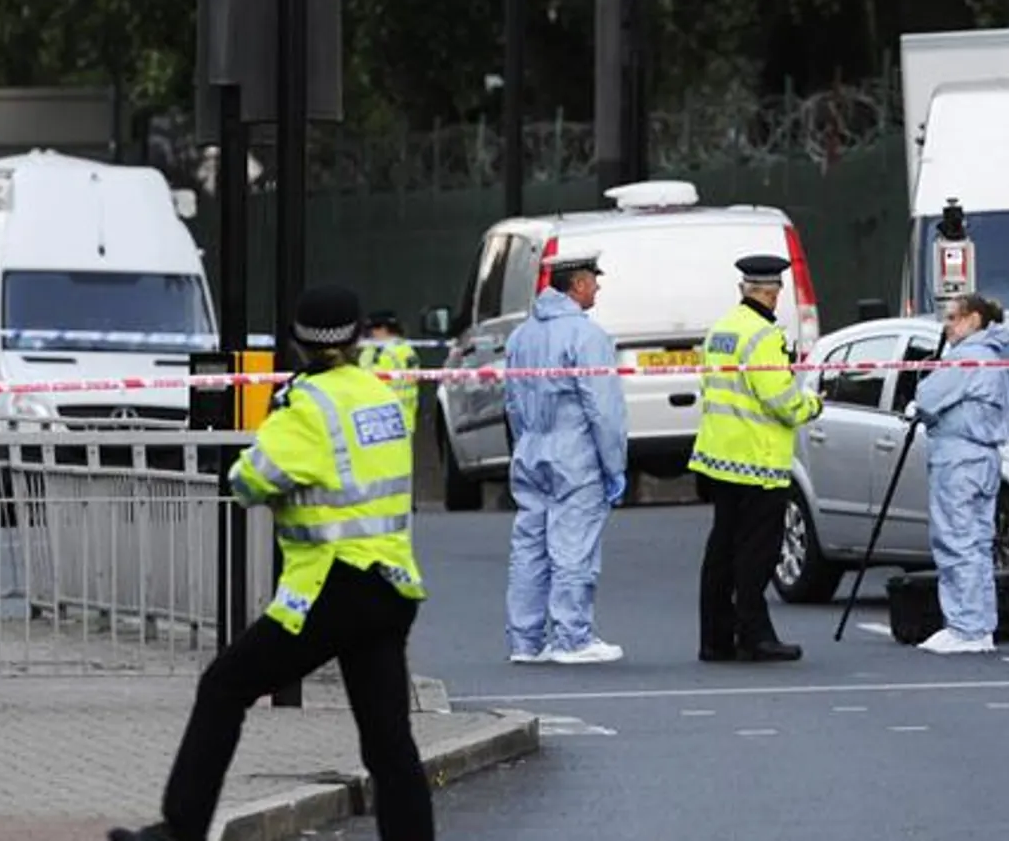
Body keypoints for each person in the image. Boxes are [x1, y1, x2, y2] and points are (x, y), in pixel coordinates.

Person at [109, 285, 432, 841]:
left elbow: (250, 478)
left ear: (297, 342)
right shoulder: (379, 396)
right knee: (388, 741)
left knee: (224, 687)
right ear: (357, 337)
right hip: (391, 585)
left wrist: (250, 467)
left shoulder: (307, 405)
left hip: (332, 586)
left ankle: (180, 829)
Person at [691, 254, 822, 663]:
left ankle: (715, 638)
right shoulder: (764, 336)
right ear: (771, 292)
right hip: (758, 460)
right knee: (757, 553)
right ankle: (755, 635)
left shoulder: (721, 331)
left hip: (718, 454)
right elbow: (781, 401)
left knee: (722, 550)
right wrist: (812, 406)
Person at [502, 245, 628, 665]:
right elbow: (604, 410)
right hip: (574, 452)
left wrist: (524, 442)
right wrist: (615, 466)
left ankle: (526, 641)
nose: (598, 289)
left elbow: (513, 401)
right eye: (594, 281)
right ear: (577, 284)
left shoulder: (522, 336)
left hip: (530, 448)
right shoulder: (587, 336)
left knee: (530, 546)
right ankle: (573, 638)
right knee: (574, 546)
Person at [902, 293, 1009, 655]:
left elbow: (928, 397)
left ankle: (964, 627)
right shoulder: (992, 357)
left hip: (959, 459)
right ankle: (980, 625)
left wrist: (920, 398)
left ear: (973, 320)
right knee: (978, 543)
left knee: (955, 541)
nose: (946, 326)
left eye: (952, 318)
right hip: (984, 458)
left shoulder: (967, 357)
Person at [358, 309, 422, 432]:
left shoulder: (380, 352)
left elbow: (368, 383)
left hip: (380, 420)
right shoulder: (406, 348)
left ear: (383, 329)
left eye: (372, 329)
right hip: (405, 418)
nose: (370, 334)